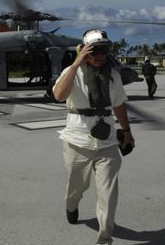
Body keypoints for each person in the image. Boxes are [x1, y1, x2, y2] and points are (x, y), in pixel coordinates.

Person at [53, 29, 135, 245]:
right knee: (76, 187)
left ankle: (104, 239)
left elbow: (118, 104)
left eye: (104, 50)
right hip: (77, 141)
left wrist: (127, 132)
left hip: (107, 141)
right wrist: (76, 63)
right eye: (94, 50)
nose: (99, 55)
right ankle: (72, 206)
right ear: (84, 51)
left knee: (108, 195)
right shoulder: (72, 72)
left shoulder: (114, 75)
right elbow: (59, 95)